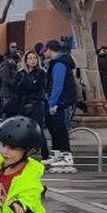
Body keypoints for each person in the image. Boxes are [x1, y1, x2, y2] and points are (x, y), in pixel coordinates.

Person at [40, 40, 80, 174]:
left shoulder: (59, 63)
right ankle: (56, 153)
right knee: (53, 127)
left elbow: (58, 85)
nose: (44, 53)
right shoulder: (59, 62)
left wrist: (53, 103)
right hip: (59, 100)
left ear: (50, 49)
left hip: (59, 101)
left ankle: (66, 155)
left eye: (45, 50)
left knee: (59, 127)